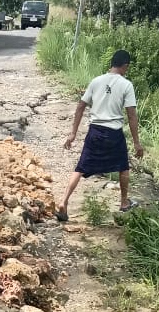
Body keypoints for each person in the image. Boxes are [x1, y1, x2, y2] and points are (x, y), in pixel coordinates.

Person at [56, 49, 144, 220]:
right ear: (125, 66)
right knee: (123, 167)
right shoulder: (126, 85)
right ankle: (124, 202)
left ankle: (64, 202)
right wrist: (137, 143)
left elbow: (81, 106)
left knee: (80, 168)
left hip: (95, 132)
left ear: (111, 64)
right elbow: (132, 115)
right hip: (114, 134)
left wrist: (73, 133)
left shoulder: (96, 81)